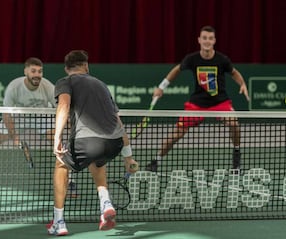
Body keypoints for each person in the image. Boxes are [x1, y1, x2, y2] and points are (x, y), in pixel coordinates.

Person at [47, 50, 138, 235]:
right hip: (114, 143)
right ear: (86, 66)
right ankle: (105, 205)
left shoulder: (65, 82)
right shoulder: (101, 84)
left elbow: (63, 105)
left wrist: (57, 137)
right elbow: (117, 120)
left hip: (87, 141)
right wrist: (128, 158)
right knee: (97, 161)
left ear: (66, 69)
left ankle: (59, 222)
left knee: (61, 164)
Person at [0, 57, 78, 196]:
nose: (37, 75)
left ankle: (70, 183)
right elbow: (6, 114)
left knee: (60, 147)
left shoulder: (48, 87)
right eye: (33, 71)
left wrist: (71, 127)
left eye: (40, 71)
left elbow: (61, 109)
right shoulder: (14, 87)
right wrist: (14, 136)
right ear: (25, 72)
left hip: (42, 117)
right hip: (19, 117)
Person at [145, 25, 250, 172]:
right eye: (204, 38)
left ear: (214, 41)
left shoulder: (222, 59)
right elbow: (176, 70)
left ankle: (237, 153)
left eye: (210, 38)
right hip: (197, 104)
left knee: (234, 123)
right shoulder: (192, 59)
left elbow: (234, 73)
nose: (207, 41)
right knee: (176, 134)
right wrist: (161, 87)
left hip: (220, 102)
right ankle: (156, 161)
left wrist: (243, 84)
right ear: (199, 40)